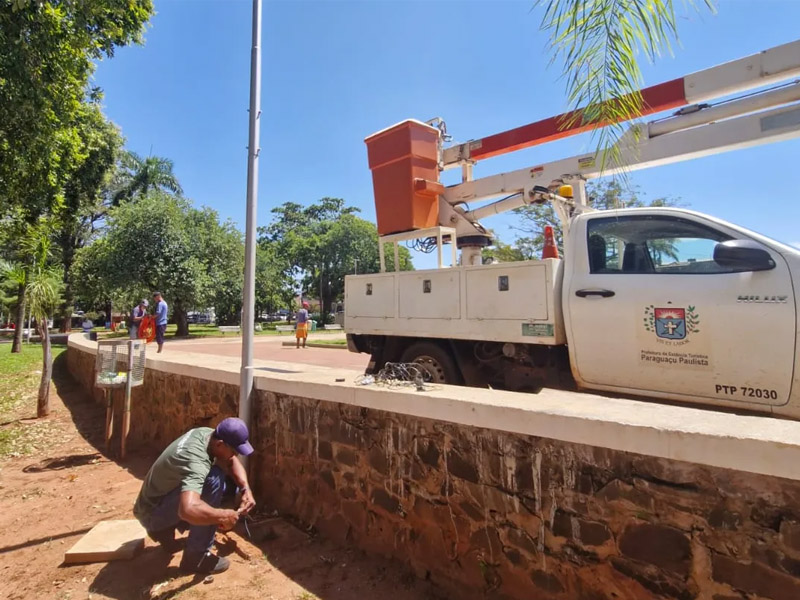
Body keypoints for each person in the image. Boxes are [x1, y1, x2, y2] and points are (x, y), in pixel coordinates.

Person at [133, 417, 256, 574]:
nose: (235, 455)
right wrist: (223, 516)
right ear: (220, 444)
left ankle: (165, 532)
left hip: (152, 504)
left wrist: (245, 489)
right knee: (214, 480)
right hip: (152, 514)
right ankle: (197, 558)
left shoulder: (207, 434)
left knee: (222, 485)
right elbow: (188, 509)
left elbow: (231, 460)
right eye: (234, 451)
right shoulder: (196, 462)